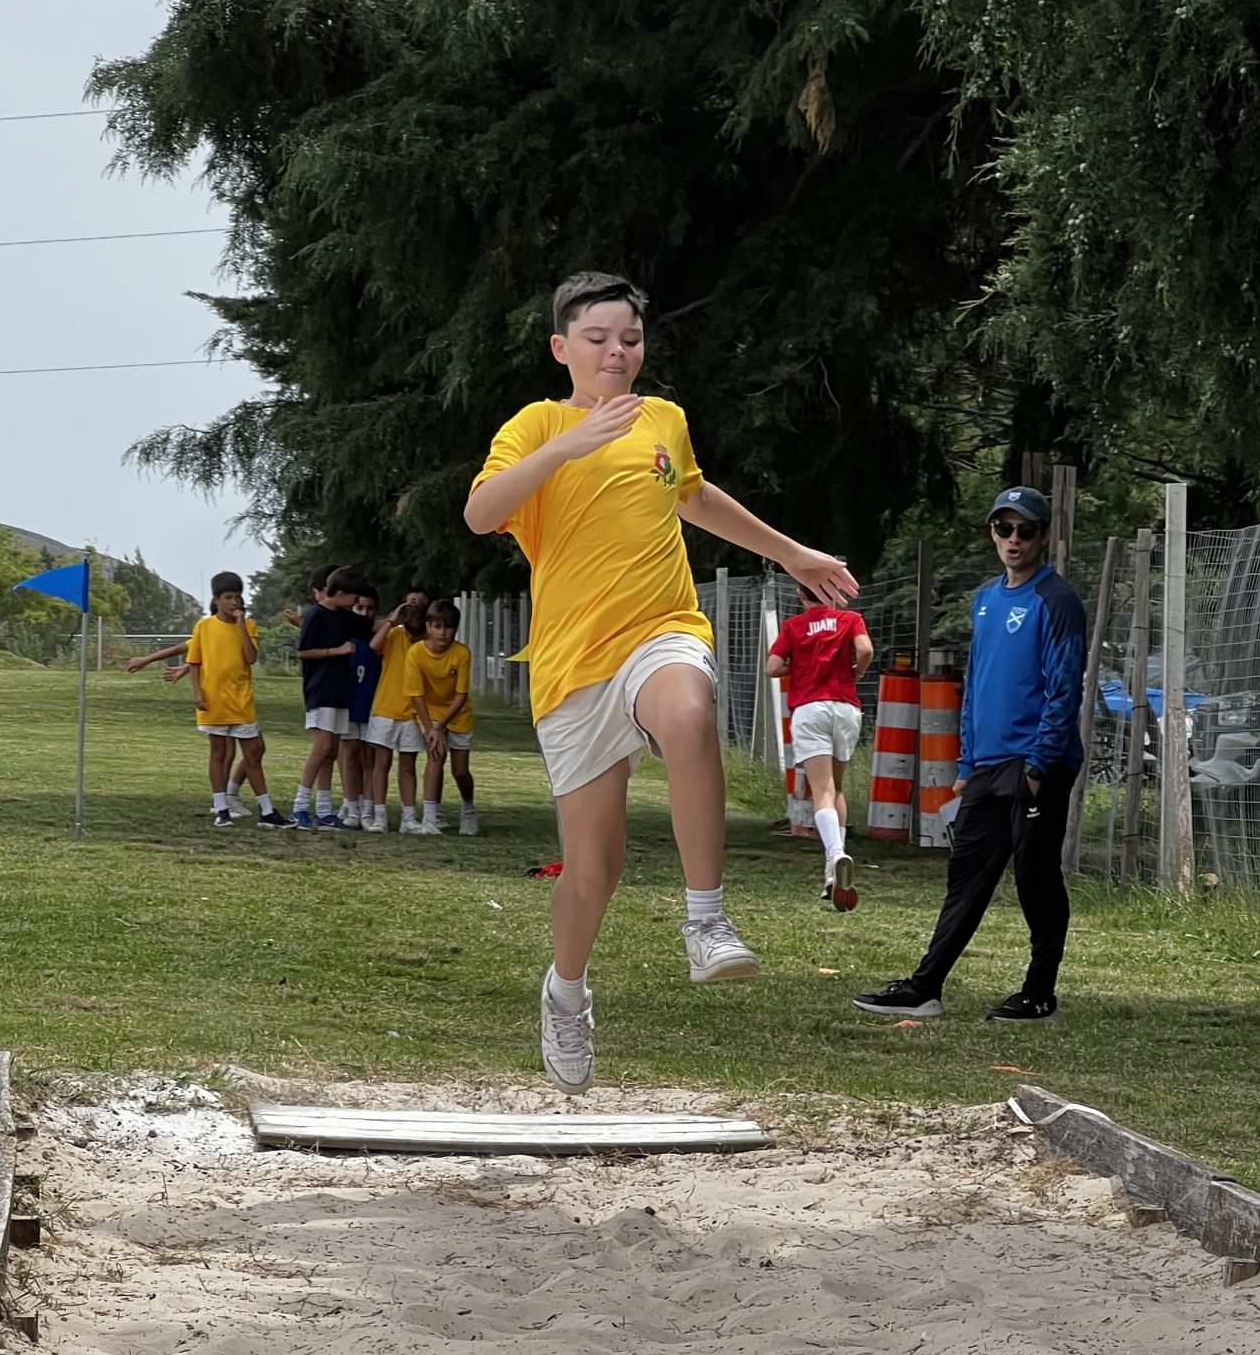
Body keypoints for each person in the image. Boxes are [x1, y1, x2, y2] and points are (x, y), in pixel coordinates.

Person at [465, 268, 854, 1095]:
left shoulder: (664, 420)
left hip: (662, 627)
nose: (617, 352)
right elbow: (481, 512)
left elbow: (694, 497)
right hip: (573, 664)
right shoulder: (536, 424)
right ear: (562, 347)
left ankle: (705, 920)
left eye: (631, 339)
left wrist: (791, 553)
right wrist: (566, 445)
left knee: (688, 712)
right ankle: (565, 991)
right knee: (592, 872)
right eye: (598, 339)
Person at [853, 486, 1086, 1023]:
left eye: (1024, 530)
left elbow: (1064, 688)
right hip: (986, 767)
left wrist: (1038, 767)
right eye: (1004, 528)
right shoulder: (985, 599)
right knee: (967, 876)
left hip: (1036, 764)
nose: (1013, 539)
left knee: (1035, 877)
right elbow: (977, 683)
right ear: (993, 533)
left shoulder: (1057, 600)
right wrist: (965, 765)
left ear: (1043, 535)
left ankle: (1039, 994)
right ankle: (925, 988)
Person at [766, 589, 874, 908]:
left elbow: (772, 667)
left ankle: (835, 854)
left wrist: (797, 667)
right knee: (837, 787)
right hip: (845, 707)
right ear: (833, 593)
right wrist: (857, 671)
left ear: (801, 594)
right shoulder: (850, 619)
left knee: (821, 790)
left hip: (810, 708)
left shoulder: (794, 626)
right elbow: (865, 649)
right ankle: (832, 871)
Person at [184, 573, 289, 828]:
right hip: (214, 701)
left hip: (241, 701)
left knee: (253, 753)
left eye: (237, 597)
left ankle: (267, 811)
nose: (234, 602)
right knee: (219, 752)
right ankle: (221, 808)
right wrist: (198, 692)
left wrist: (241, 626)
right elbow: (194, 662)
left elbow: (251, 658)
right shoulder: (203, 627)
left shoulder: (249, 626)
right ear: (216, 600)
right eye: (228, 597)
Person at [293, 566, 361, 829]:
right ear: (340, 593)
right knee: (321, 747)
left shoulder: (344, 617)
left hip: (339, 691)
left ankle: (324, 810)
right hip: (320, 690)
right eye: (353, 597)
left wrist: (394, 621)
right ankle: (299, 807)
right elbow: (303, 652)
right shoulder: (316, 615)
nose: (356, 602)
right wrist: (336, 651)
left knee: (331, 750)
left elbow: (369, 627)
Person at [405, 600, 478, 837]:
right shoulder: (416, 653)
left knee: (460, 771)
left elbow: (461, 695)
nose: (443, 633)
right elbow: (416, 694)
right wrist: (431, 729)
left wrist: (440, 726)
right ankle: (430, 817)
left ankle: (468, 809)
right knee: (435, 757)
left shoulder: (461, 653)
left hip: (457, 714)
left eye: (448, 627)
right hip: (429, 714)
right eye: (437, 626)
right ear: (428, 627)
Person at [365, 586, 431, 832]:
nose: (415, 604)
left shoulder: (428, 640)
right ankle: (379, 816)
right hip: (386, 708)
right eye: (410, 601)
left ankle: (408, 817)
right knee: (381, 763)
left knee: (408, 765)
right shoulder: (394, 633)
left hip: (413, 712)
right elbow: (374, 646)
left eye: (420, 601)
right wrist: (393, 619)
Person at [339, 580, 383, 830]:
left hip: (372, 707)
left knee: (370, 759)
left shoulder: (381, 640)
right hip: (348, 706)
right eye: (360, 608)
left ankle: (368, 809)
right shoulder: (343, 638)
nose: (365, 613)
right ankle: (351, 806)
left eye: (370, 608)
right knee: (349, 758)